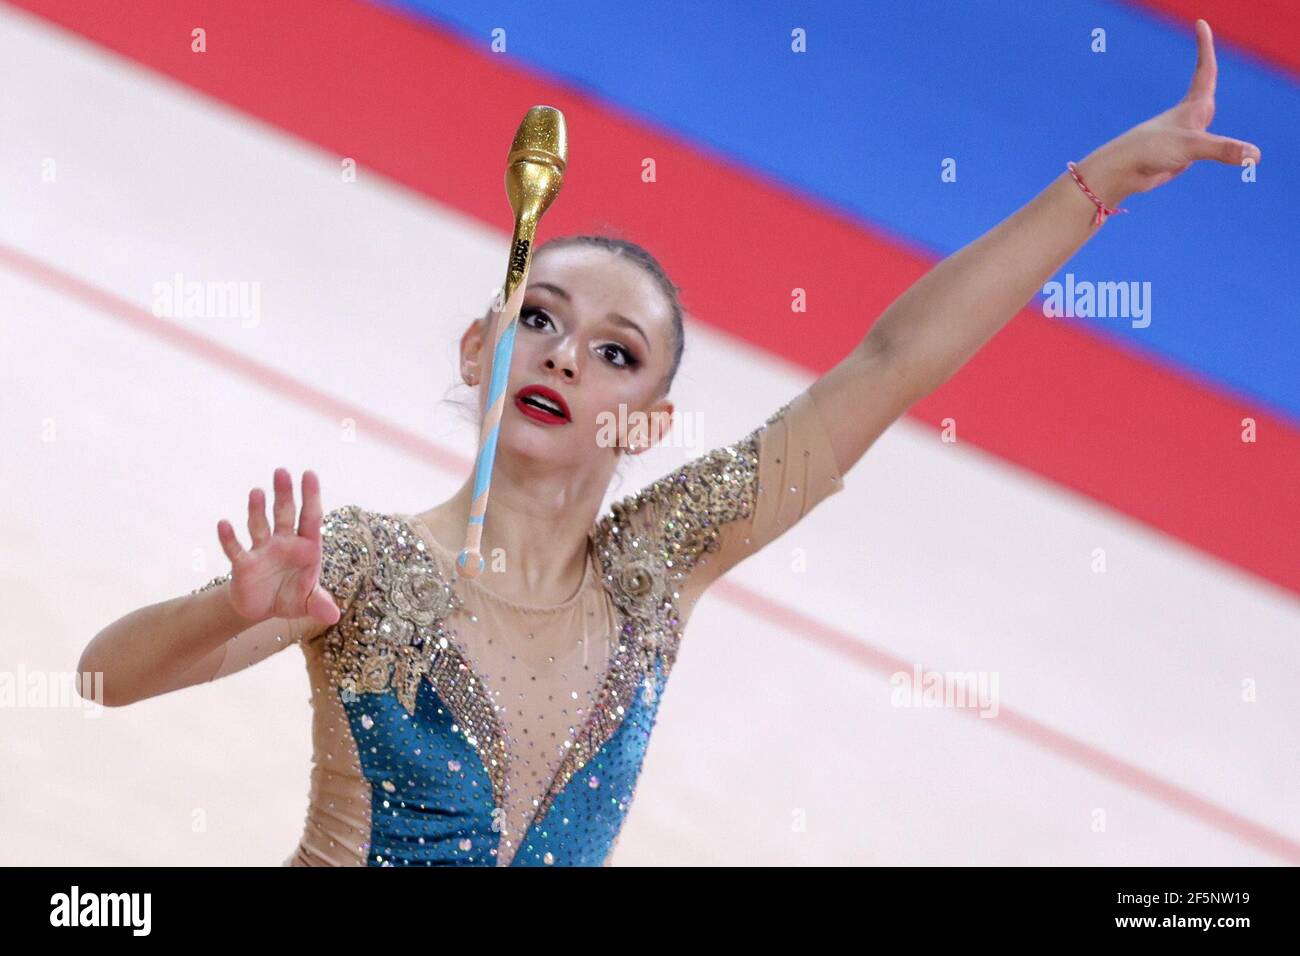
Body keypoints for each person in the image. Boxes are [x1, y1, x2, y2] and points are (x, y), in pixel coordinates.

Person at [78, 20, 1258, 866]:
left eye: (614, 350)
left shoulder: (658, 565)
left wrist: (1096, 185)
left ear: (644, 422)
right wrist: (232, 611)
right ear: (476, 349)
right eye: (537, 320)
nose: (561, 355)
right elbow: (102, 676)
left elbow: (888, 366)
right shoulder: (357, 565)